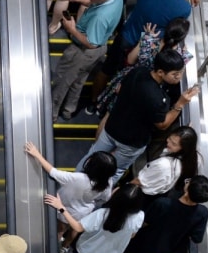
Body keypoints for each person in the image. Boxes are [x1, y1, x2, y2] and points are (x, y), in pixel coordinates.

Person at [80, 50, 198, 180]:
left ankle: (76, 179)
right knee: (116, 170)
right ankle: (97, 197)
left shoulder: (137, 72)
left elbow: (120, 88)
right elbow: (162, 124)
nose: (179, 77)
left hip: (111, 128)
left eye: (180, 73)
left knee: (92, 156)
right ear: (160, 72)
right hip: (131, 142)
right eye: (175, 74)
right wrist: (180, 104)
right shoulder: (157, 98)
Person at [111, 176, 208, 253]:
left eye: (189, 182)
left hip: (142, 243)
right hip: (163, 249)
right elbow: (197, 238)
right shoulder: (203, 213)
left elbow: (145, 222)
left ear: (187, 189)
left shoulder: (163, 203)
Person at [47, 183, 145, 253]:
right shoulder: (139, 216)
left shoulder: (102, 214)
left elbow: (78, 227)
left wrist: (61, 208)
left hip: (86, 249)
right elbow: (132, 235)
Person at [49, 0, 124, 121]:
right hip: (98, 51)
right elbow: (95, 1)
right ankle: (68, 110)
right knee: (79, 80)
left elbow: (90, 43)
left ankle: (52, 112)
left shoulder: (101, 17)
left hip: (83, 51)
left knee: (62, 80)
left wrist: (72, 30)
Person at [25, 142, 116, 253]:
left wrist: (37, 154)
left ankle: (54, 246)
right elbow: (105, 198)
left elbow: (53, 172)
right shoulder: (107, 182)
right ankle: (65, 247)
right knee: (74, 230)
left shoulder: (78, 178)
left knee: (61, 229)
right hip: (84, 212)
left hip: (66, 207)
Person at [95, 18, 193, 120]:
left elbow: (130, 60)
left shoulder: (151, 41)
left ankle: (98, 112)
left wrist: (146, 37)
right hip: (148, 90)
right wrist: (185, 56)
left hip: (130, 79)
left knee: (111, 110)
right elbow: (175, 79)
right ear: (182, 38)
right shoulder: (179, 57)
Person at [129, 126, 198, 198]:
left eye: (174, 144)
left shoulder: (163, 165)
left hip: (143, 193)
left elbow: (139, 181)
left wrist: (123, 191)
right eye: (170, 139)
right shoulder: (189, 158)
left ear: (183, 148)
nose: (168, 143)